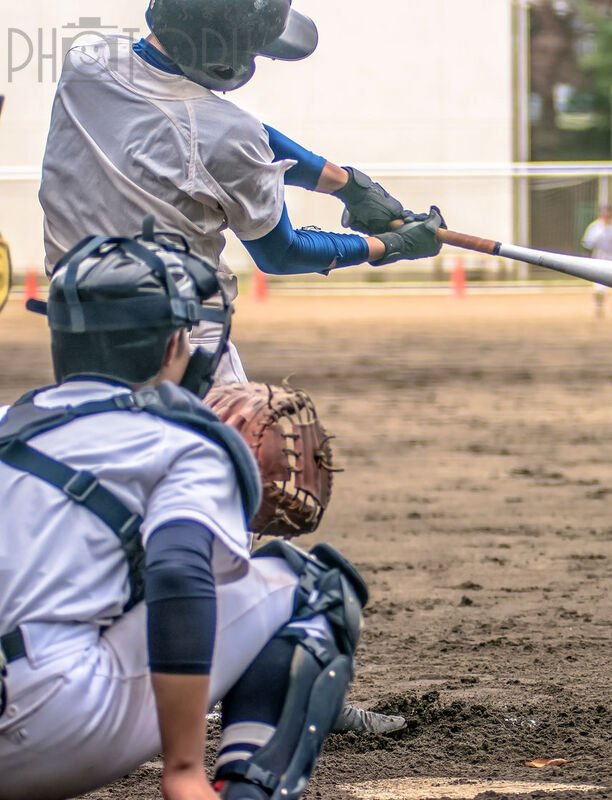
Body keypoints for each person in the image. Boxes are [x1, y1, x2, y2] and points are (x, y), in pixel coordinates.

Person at [38, 0, 415, 733]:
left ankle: (108, 668)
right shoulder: (224, 131)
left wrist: (342, 182)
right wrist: (384, 248)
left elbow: (232, 133)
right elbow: (282, 250)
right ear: (224, 57)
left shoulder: (88, 64)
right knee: (230, 507)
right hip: (184, 343)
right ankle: (271, 687)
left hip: (79, 329)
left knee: (119, 501)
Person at [0, 223, 367, 800]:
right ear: (176, 346)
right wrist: (182, 768)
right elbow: (179, 572)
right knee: (313, 585)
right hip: (47, 724)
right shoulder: (181, 443)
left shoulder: (6, 420)